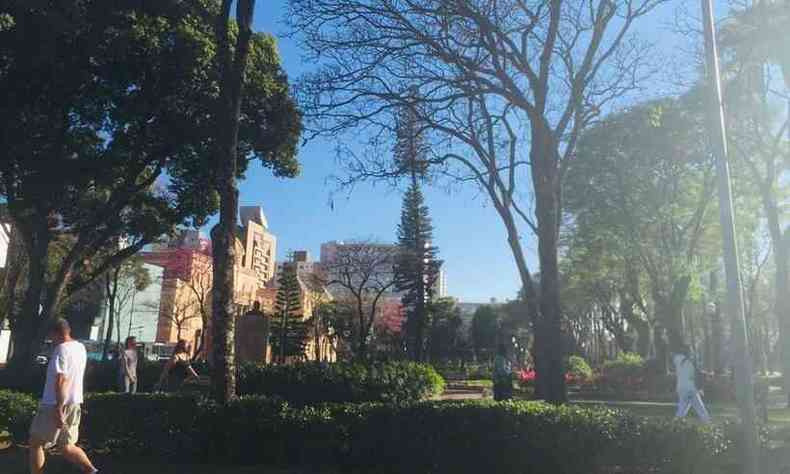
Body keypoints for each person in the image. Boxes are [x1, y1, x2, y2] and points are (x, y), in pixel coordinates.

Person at [29, 318, 100, 474]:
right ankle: (92, 471)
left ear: (56, 333)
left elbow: (61, 380)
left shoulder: (61, 349)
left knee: (36, 443)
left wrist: (59, 408)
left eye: (50, 335)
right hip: (74, 402)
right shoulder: (80, 348)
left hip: (54, 404)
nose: (50, 338)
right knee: (67, 446)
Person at [673, 344, 711, 423]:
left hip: (681, 388)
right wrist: (707, 374)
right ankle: (707, 423)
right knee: (700, 408)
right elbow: (697, 374)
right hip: (691, 388)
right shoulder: (692, 362)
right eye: (691, 351)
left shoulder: (677, 359)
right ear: (688, 352)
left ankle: (676, 423)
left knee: (682, 408)